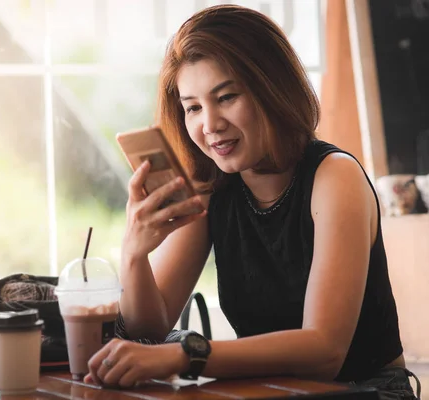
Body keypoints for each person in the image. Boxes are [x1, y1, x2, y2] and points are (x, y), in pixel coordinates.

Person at [84, 4, 421, 400]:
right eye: (192, 107)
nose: (209, 125)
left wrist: (185, 355)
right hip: (269, 391)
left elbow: (324, 352)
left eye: (226, 97)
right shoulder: (213, 187)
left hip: (366, 392)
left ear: (271, 87)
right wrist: (134, 255)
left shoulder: (335, 177)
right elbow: (147, 334)